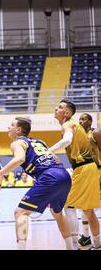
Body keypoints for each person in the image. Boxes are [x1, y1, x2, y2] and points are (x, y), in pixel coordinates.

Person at [0, 117, 74, 250]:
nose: (9, 128)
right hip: (63, 174)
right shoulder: (39, 141)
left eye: (11, 125)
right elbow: (56, 158)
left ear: (18, 130)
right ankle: (70, 247)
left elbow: (20, 158)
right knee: (57, 213)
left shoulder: (17, 143)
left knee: (20, 213)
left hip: (48, 176)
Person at [48, 100, 100, 250]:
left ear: (67, 113)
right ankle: (97, 244)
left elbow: (67, 140)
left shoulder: (68, 124)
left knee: (68, 206)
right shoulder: (74, 126)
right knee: (88, 210)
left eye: (60, 107)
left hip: (83, 169)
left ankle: (74, 245)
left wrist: (48, 151)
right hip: (90, 167)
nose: (56, 108)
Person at [77, 113, 101, 247]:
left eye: (84, 119)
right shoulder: (78, 137)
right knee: (86, 206)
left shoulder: (96, 133)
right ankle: (86, 236)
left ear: (90, 121)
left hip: (98, 171)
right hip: (86, 173)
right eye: (79, 119)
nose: (81, 121)